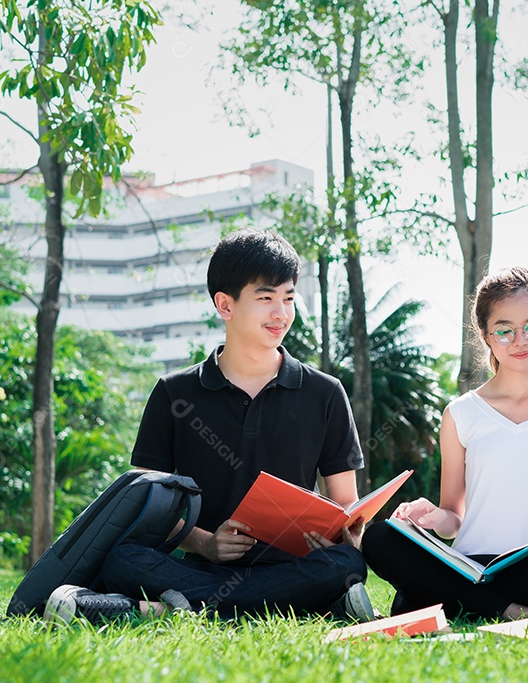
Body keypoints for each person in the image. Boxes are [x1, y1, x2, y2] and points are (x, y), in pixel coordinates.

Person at [43, 229, 375, 625]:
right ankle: (308, 605)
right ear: (225, 304)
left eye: (288, 298)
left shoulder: (325, 393)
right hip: (202, 568)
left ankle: (163, 610)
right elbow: (145, 508)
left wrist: (345, 533)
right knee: (123, 557)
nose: (281, 313)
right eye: (266, 298)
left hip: (293, 566)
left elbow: (345, 503)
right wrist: (206, 542)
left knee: (345, 562)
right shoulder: (174, 393)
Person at [361, 267, 528, 620]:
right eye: (504, 331)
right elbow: (454, 518)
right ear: (486, 336)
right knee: (380, 538)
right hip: (467, 562)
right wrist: (432, 516)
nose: (521, 340)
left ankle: (447, 601)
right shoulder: (461, 412)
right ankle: (515, 611)